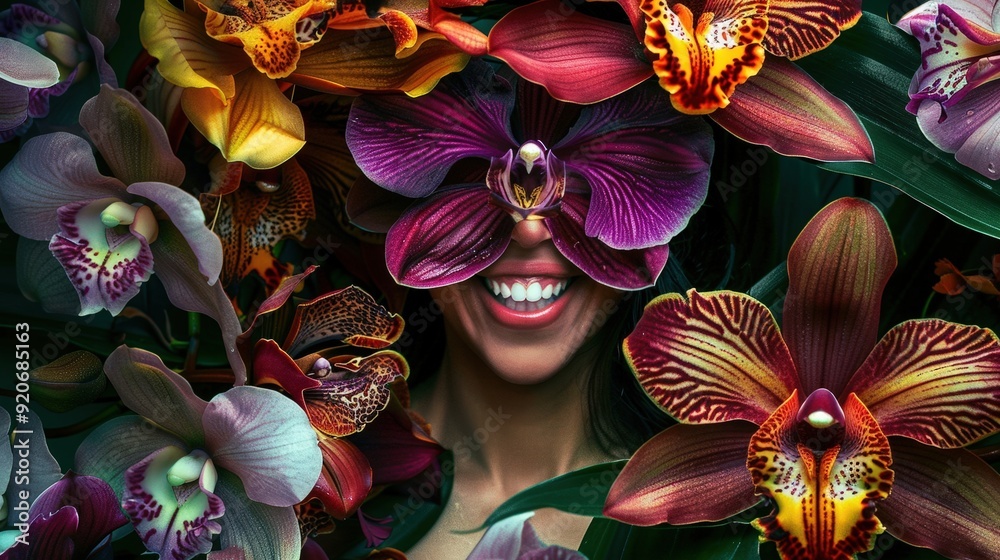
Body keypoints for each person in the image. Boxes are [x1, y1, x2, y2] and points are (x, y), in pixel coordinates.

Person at [344, 61, 717, 558]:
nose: (528, 226)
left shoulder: (718, 508)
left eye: (566, 189)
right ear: (406, 207)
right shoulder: (313, 473)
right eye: (492, 183)